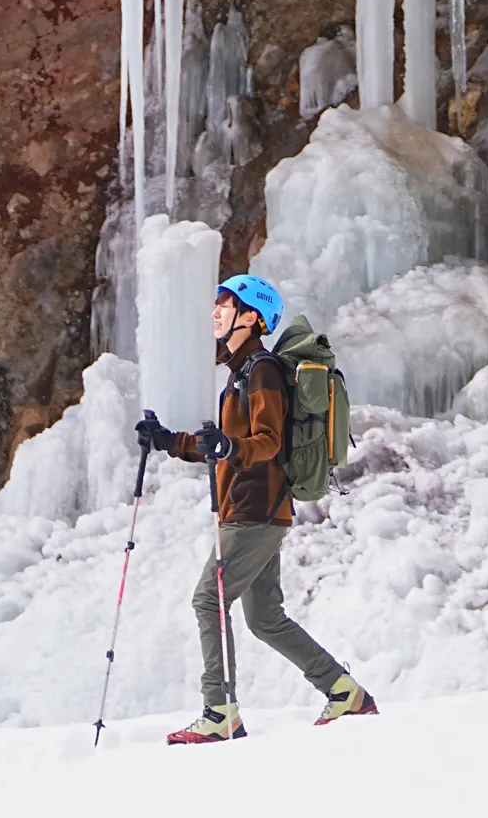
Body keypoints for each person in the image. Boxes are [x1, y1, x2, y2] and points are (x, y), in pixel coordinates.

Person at [136, 271, 376, 742]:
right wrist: (169, 441)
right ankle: (343, 691)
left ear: (252, 318)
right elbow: (224, 444)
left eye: (226, 303)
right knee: (265, 618)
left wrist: (229, 448)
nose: (216, 311)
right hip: (255, 508)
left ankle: (219, 710)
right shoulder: (241, 375)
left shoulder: (262, 371)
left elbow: (263, 442)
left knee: (209, 598)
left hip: (255, 507)